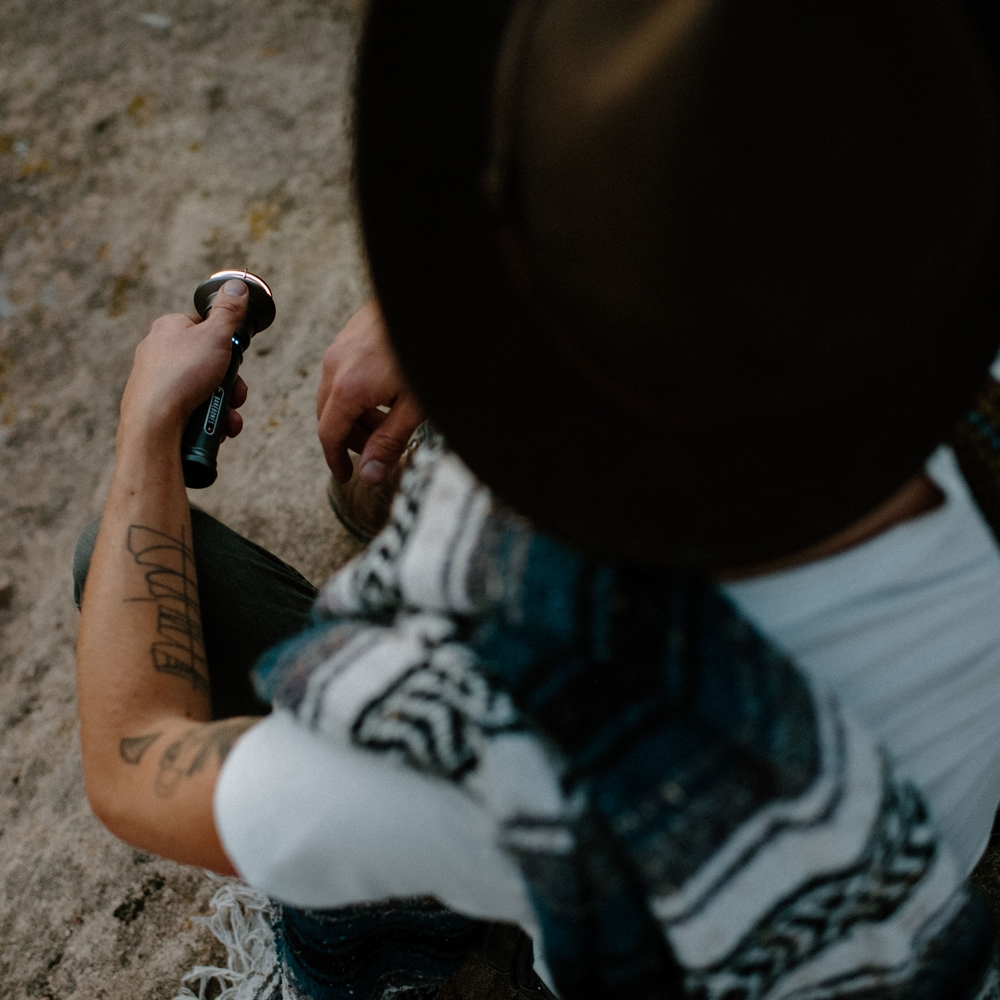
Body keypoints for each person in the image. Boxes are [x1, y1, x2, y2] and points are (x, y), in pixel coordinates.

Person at [74, 0, 1000, 997]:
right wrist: (465, 324)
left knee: (118, 560)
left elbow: (133, 765)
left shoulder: (490, 720)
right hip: (919, 844)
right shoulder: (951, 342)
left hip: (625, 926)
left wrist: (148, 430)